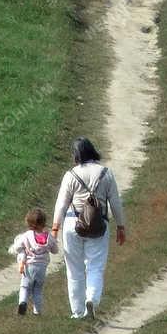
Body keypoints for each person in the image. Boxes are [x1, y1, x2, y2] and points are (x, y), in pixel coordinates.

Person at [52, 137, 126, 321]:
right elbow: (115, 202)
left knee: (74, 270)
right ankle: (91, 299)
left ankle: (77, 312)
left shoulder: (71, 174)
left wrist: (55, 227)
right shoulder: (106, 173)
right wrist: (121, 226)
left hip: (72, 224)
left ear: (76, 155)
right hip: (98, 225)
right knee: (95, 266)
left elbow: (61, 203)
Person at [8, 207, 58, 317]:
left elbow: (17, 247)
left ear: (28, 223)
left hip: (29, 265)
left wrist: (22, 251)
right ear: (44, 223)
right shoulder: (48, 236)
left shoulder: (26, 235)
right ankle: (37, 311)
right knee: (38, 289)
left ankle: (22, 302)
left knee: (25, 286)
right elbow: (55, 250)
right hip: (42, 268)